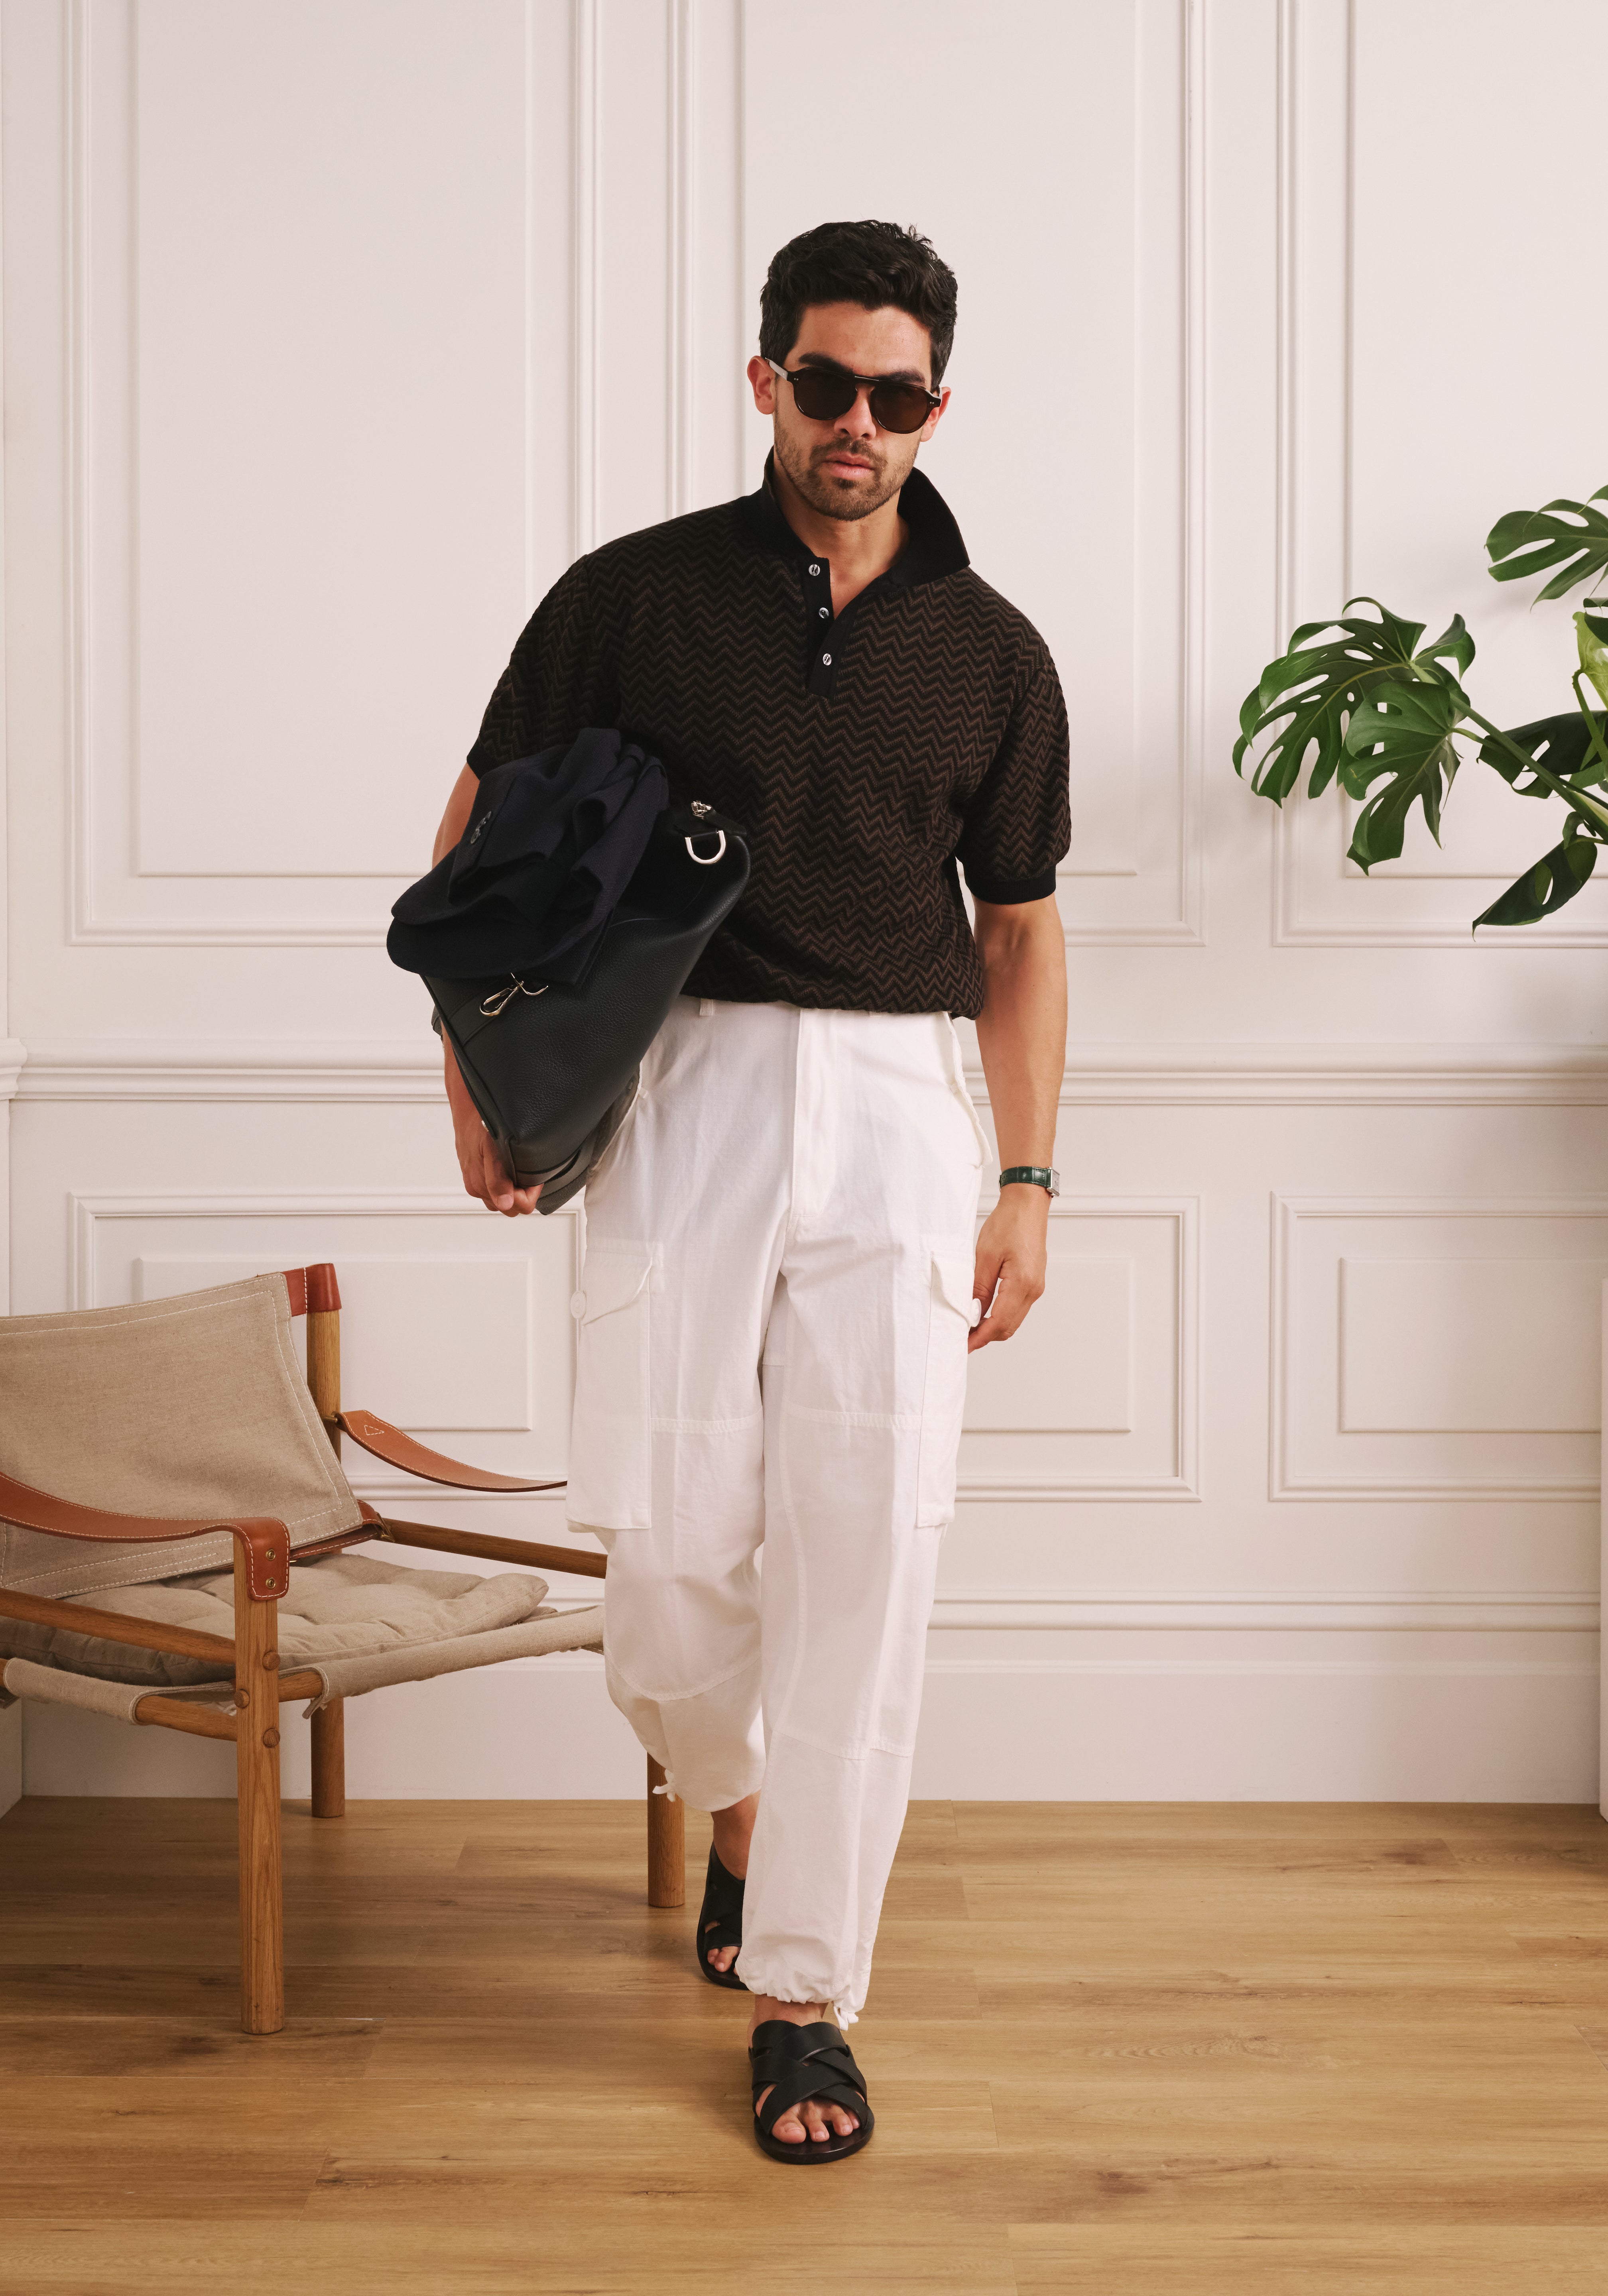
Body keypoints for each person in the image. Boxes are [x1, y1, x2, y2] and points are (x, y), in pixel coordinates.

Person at [433, 219, 1069, 2160]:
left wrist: (1028, 1179)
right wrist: (479, 1080)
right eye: (823, 383)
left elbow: (1021, 931)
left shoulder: (991, 652)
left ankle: (805, 1998)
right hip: (683, 1084)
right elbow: (480, 843)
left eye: (894, 394)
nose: (855, 422)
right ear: (766, 381)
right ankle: (741, 1808)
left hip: (901, 1109)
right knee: (660, 1555)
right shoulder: (630, 600)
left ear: (937, 408)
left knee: (872, 1555)